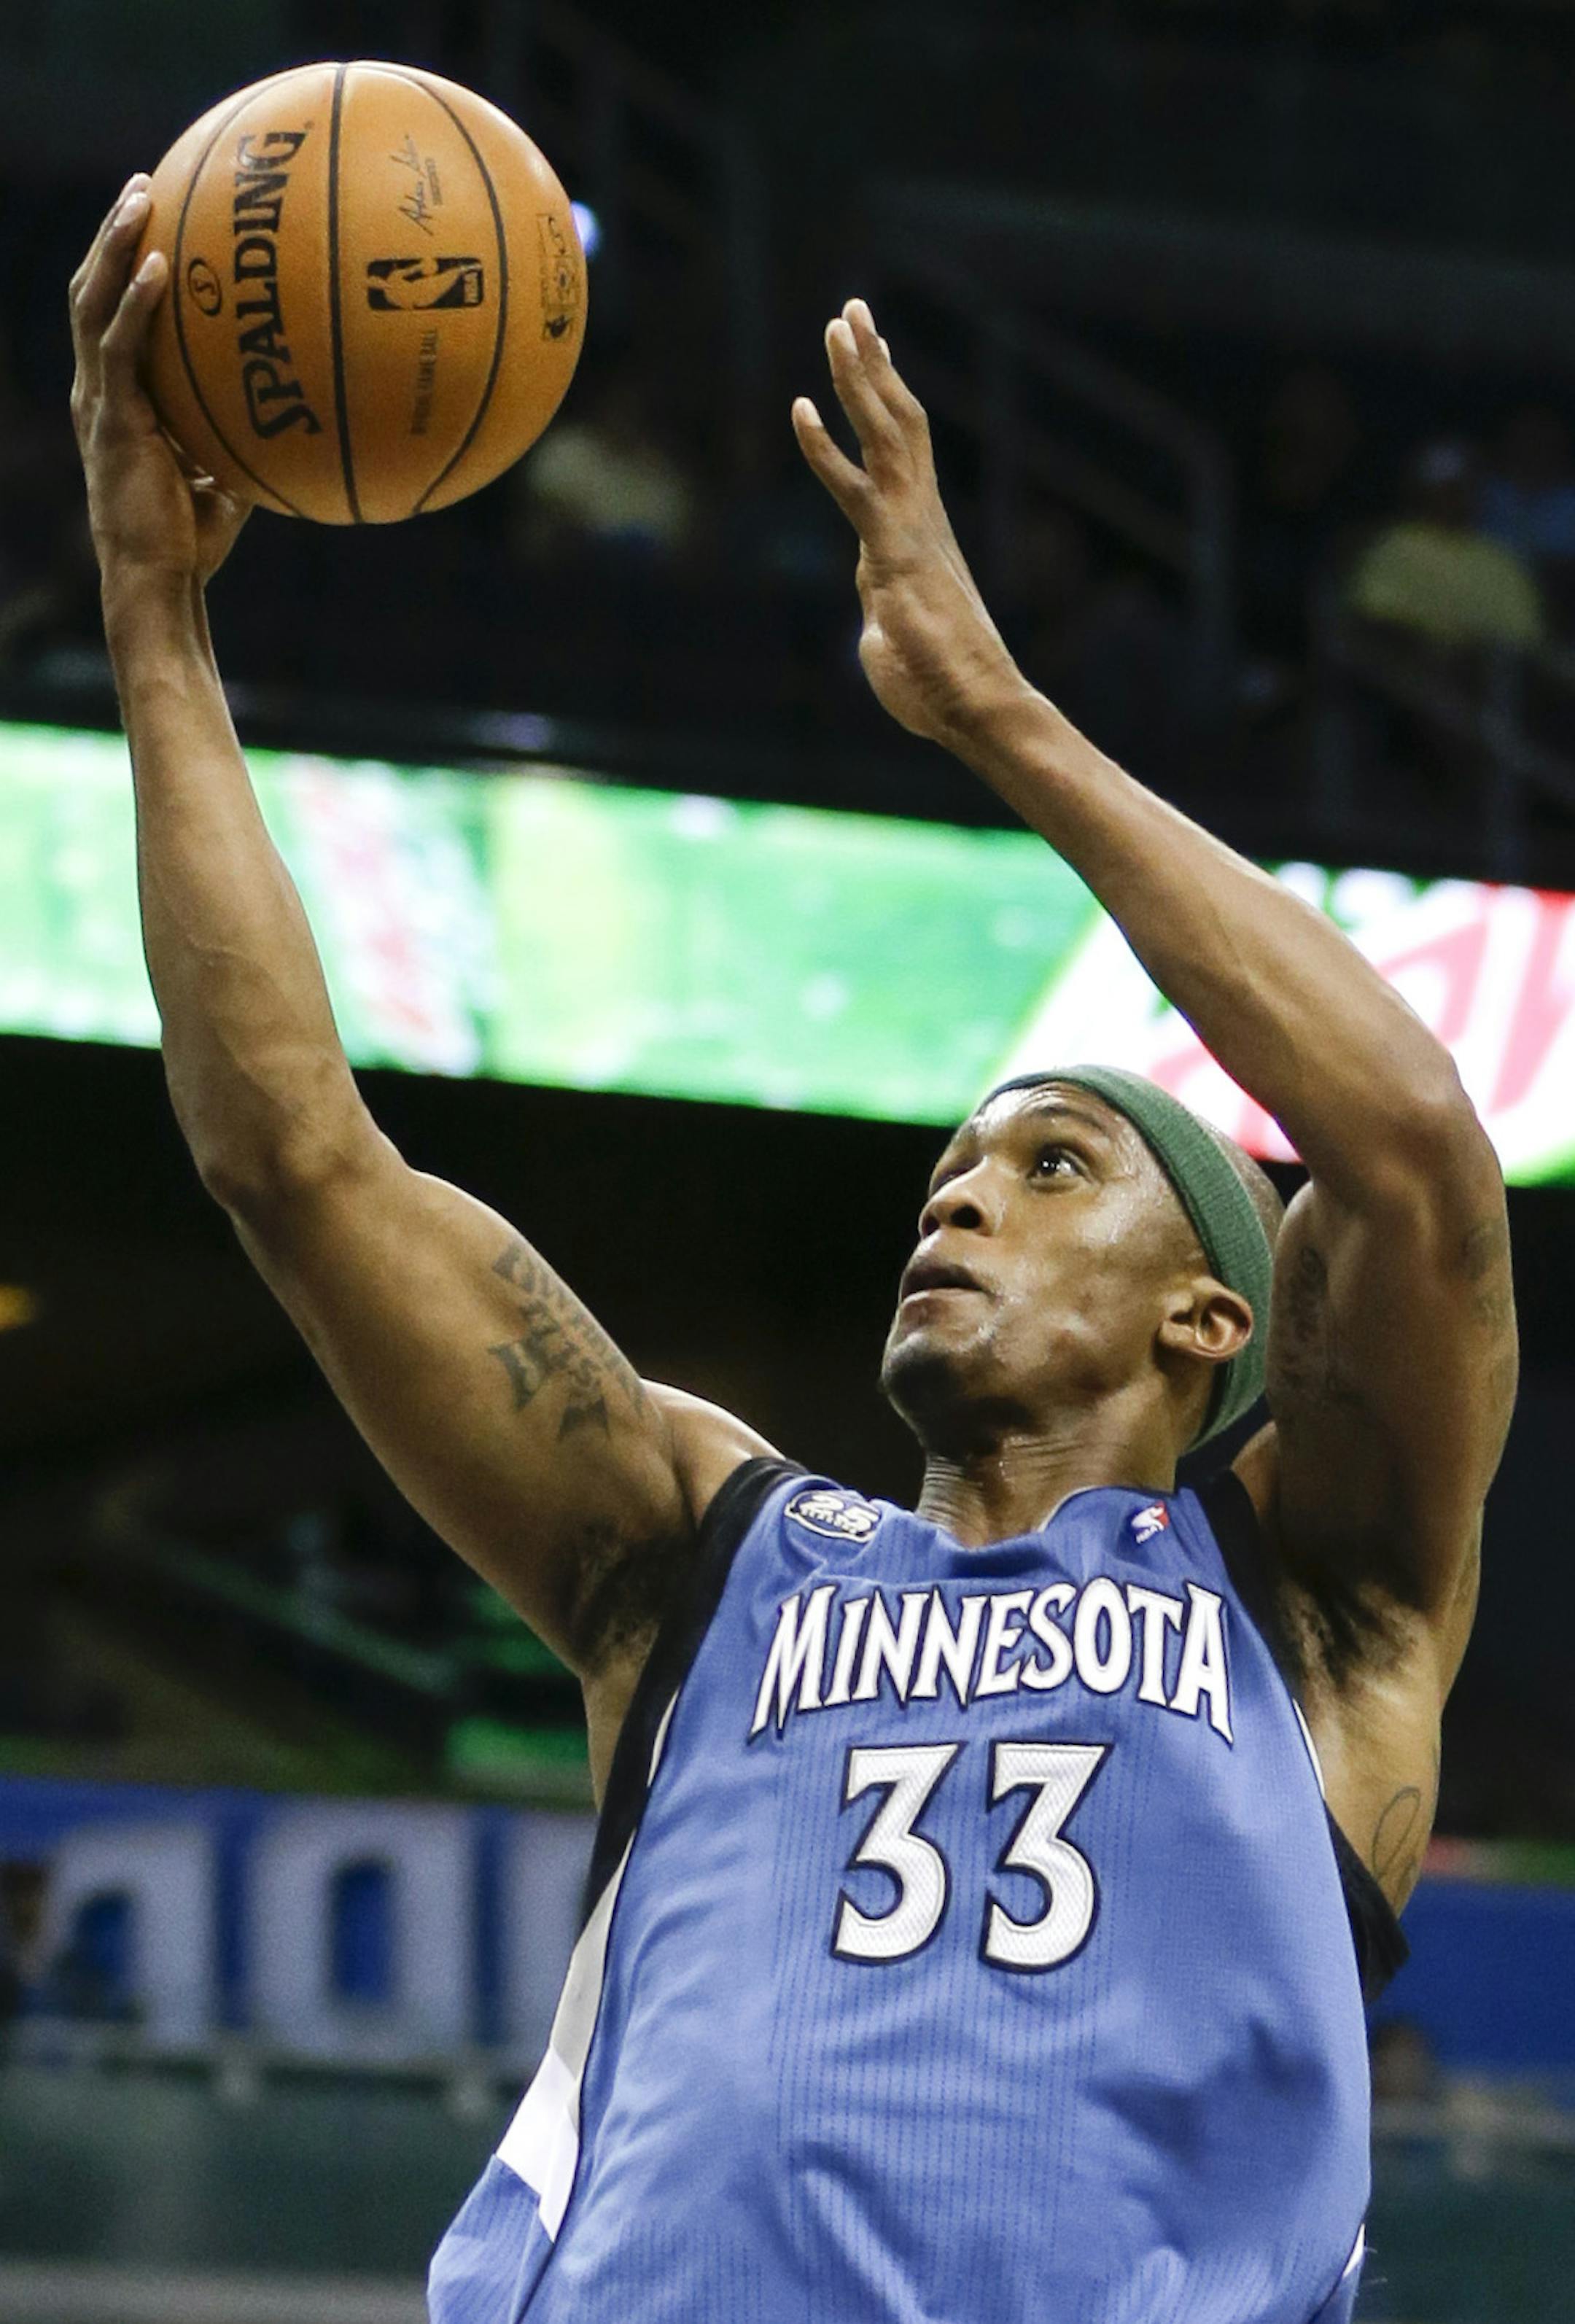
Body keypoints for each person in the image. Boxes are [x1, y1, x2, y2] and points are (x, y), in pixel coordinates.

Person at [72, 181, 1514, 2324]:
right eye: (955, 1163)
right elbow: (296, 1158)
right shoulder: (709, 1556)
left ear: (1217, 1312)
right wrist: (159, 628)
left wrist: (999, 718)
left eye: (1050, 1166)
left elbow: (1410, 1154)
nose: (957, 1194)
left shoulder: (1317, 1613)